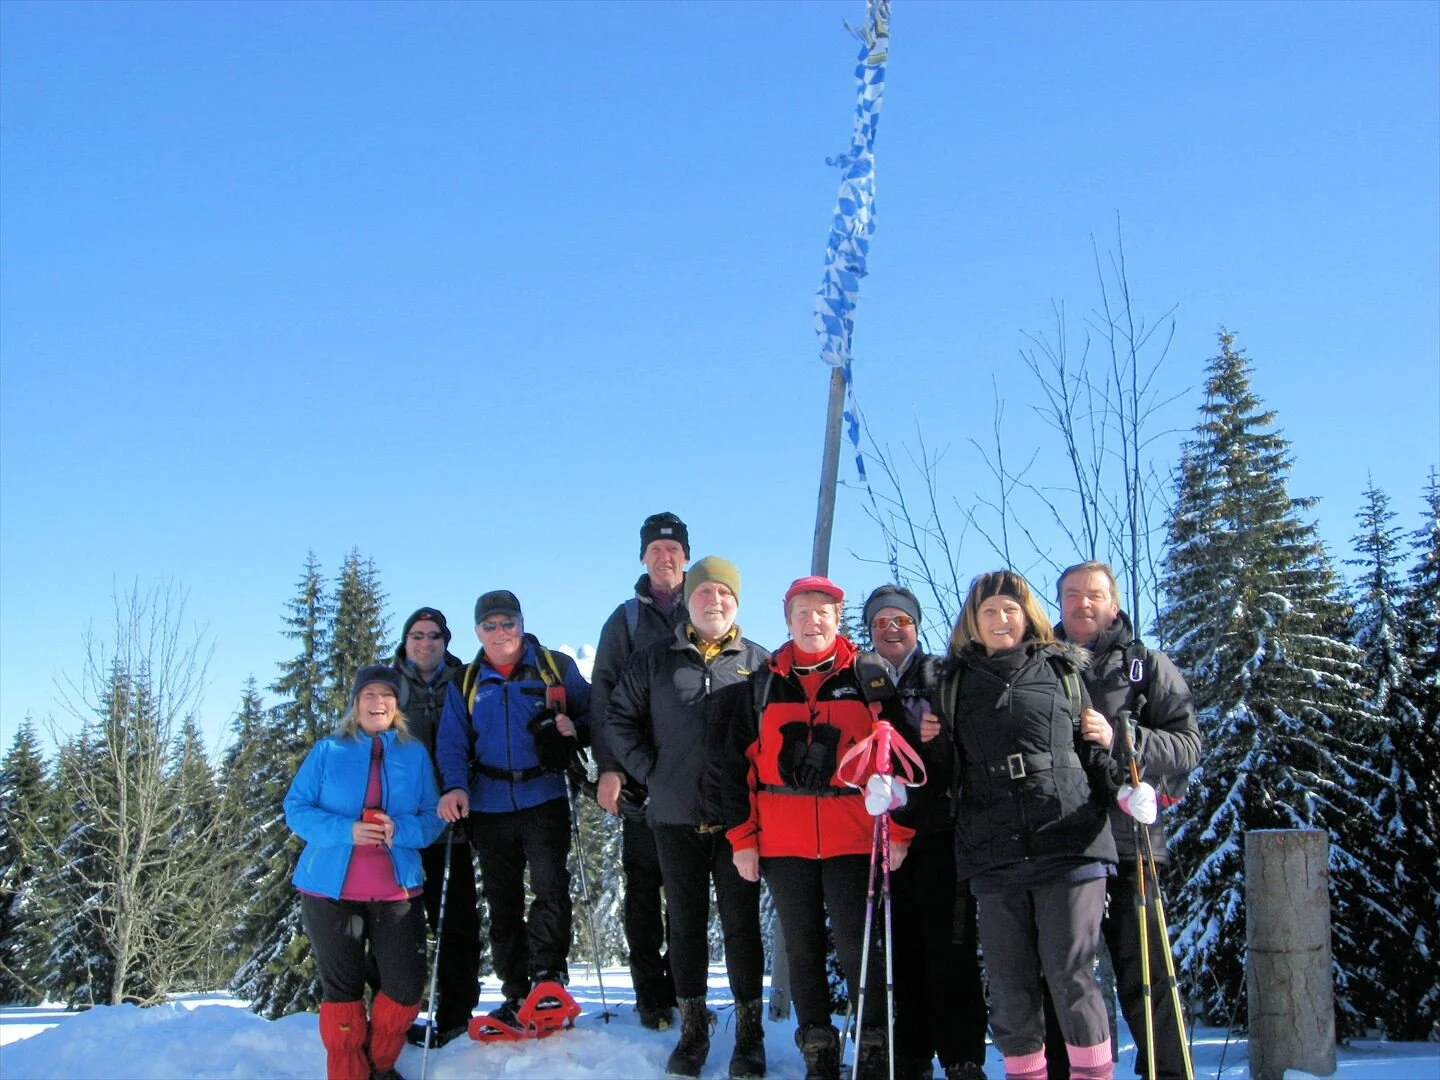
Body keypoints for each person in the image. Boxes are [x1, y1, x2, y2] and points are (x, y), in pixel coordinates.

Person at [935, 570, 1149, 1080]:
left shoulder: (1062, 670)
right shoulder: (954, 682)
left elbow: (1092, 751)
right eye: (989, 611)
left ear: (1026, 615)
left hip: (1069, 840)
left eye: (1010, 609)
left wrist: (1124, 788)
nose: (1000, 619)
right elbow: (947, 769)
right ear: (974, 621)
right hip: (993, 850)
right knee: (1010, 986)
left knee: (1070, 975)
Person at [729, 575, 913, 1080]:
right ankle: (819, 1051)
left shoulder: (870, 677)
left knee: (859, 947)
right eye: (803, 612)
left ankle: (874, 1047)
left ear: (838, 618)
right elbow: (737, 768)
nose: (813, 621)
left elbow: (896, 761)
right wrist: (743, 840)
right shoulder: (763, 683)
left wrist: (898, 831)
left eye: (824, 611)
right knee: (802, 946)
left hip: (853, 838)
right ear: (787, 619)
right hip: (783, 842)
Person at [607, 556, 770, 1079]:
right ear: (689, 600)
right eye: (705, 593)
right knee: (685, 928)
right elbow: (618, 719)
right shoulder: (655, 661)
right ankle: (694, 1033)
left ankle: (750, 1037)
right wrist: (649, 773)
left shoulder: (759, 663)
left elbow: (779, 735)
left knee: (742, 929)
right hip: (674, 818)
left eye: (724, 593)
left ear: (736, 602)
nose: (714, 601)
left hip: (738, 822)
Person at [1038, 562, 1201, 1080]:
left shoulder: (1146, 665)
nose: (1082, 604)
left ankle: (1168, 1074)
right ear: (1058, 602)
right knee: (1062, 978)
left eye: (1094, 595)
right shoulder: (1039, 663)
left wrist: (1122, 739)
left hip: (1130, 839)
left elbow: (1189, 745)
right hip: (1060, 844)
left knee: (1147, 975)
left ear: (1113, 602)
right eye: (1071, 595)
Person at [435, 591, 592, 1027]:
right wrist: (453, 787)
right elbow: (451, 742)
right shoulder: (465, 681)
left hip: (545, 796)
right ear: (477, 632)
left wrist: (571, 728)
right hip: (488, 803)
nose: (500, 632)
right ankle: (516, 991)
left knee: (550, 890)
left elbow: (594, 715)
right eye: (490, 625)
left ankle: (549, 981)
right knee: (503, 904)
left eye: (508, 623)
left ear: (522, 624)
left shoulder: (554, 668)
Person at [284, 665, 445, 1080]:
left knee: (406, 987)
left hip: (397, 890)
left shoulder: (413, 753)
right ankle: (349, 1072)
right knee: (343, 992)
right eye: (369, 695)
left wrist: (400, 830)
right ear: (355, 704)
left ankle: (380, 1062)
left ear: (398, 705)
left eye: (386, 695)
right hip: (329, 891)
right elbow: (296, 810)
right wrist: (347, 831)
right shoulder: (328, 751)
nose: (378, 703)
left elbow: (432, 818)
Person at [863, 585, 989, 1080]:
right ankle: (910, 1056)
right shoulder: (862, 676)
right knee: (901, 951)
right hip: (879, 837)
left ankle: (962, 1057)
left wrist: (941, 743)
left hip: (939, 832)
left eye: (901, 621)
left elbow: (967, 747)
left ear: (916, 626)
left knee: (951, 946)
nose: (892, 630)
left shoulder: (942, 673)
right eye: (881, 622)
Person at [588, 511, 689, 1030]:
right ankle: (652, 994)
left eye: (672, 549)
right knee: (645, 886)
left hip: (693, 780)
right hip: (641, 778)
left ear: (685, 557)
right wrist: (611, 767)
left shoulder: (709, 607)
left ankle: (687, 989)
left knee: (689, 888)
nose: (664, 558)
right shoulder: (626, 620)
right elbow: (603, 694)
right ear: (643, 558)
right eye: (655, 550)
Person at [389, 607, 481, 1048]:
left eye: (434, 636)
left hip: (453, 821)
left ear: (446, 642)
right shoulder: (386, 684)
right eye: (417, 635)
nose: (425, 643)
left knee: (457, 924)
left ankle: (455, 1015)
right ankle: (395, 1013)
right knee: (396, 926)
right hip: (399, 827)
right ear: (405, 641)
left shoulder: (464, 680)